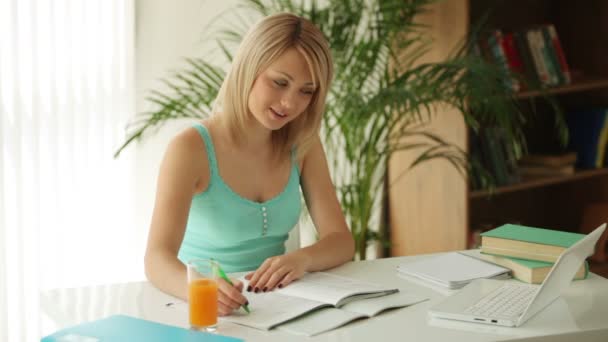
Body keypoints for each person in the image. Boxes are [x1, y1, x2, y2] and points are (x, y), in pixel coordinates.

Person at [144, 12, 355, 316]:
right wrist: (201, 288)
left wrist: (302, 259)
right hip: (202, 311)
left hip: (273, 310)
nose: (289, 103)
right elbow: (156, 259)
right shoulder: (190, 150)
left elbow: (341, 241)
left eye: (306, 91)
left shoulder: (303, 144)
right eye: (280, 82)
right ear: (249, 68)